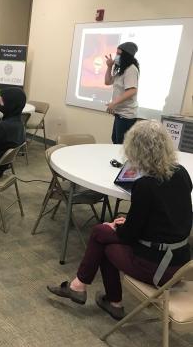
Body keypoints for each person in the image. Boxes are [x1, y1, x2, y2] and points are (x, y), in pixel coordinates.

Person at [48, 120, 192, 320]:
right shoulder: (182, 173)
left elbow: (129, 236)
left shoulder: (145, 185)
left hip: (159, 270)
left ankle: (86, 289)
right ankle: (95, 294)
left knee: (102, 236)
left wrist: (118, 226)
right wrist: (127, 223)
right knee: (103, 233)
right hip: (182, 262)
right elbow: (168, 213)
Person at [104, 42, 139, 144]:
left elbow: (132, 90)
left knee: (121, 144)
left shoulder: (131, 69)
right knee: (115, 140)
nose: (117, 56)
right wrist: (109, 66)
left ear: (126, 55)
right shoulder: (121, 69)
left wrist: (114, 103)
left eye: (119, 54)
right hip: (120, 114)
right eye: (116, 53)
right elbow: (107, 82)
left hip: (126, 115)